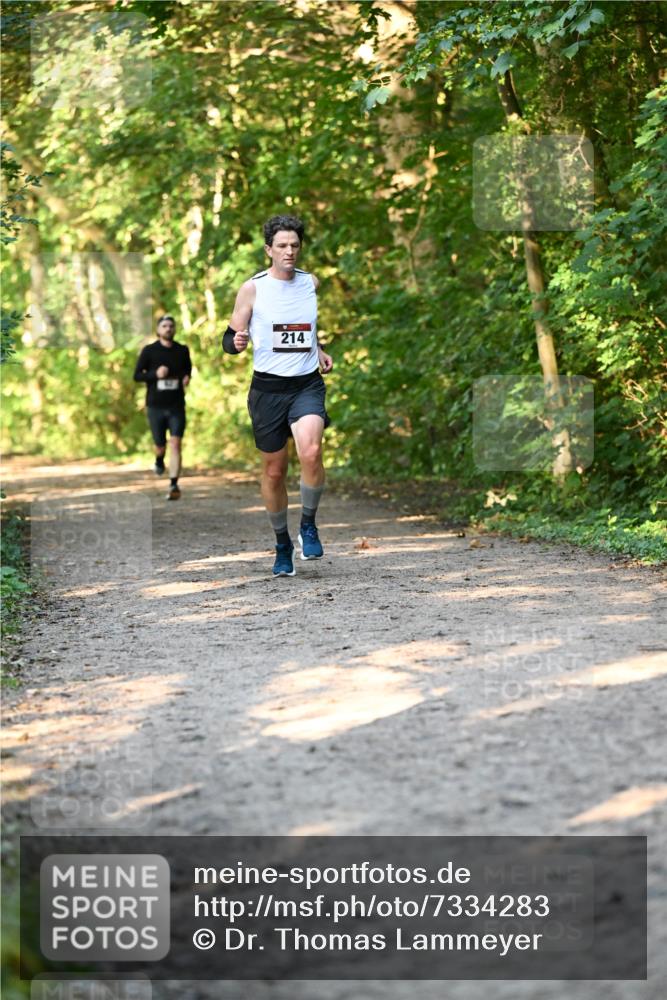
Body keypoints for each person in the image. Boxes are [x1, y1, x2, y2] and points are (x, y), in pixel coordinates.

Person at [223, 214, 333, 577]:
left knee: (312, 451)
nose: (290, 252)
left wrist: (317, 348)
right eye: (282, 246)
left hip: (305, 383)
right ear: (269, 249)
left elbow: (304, 326)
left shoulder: (310, 283)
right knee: (274, 471)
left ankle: (309, 525)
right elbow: (230, 337)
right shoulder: (252, 288)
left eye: (295, 246)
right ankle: (282, 544)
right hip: (267, 390)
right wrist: (237, 342)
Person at [134, 315, 192, 500]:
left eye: (171, 326)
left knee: (175, 443)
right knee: (160, 445)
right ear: (158, 330)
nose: (168, 329)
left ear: (174, 329)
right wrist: (155, 374)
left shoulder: (182, 350)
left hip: (176, 405)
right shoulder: (149, 351)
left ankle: (174, 484)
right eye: (164, 326)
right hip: (155, 406)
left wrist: (186, 377)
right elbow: (137, 376)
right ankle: (159, 459)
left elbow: (187, 370)